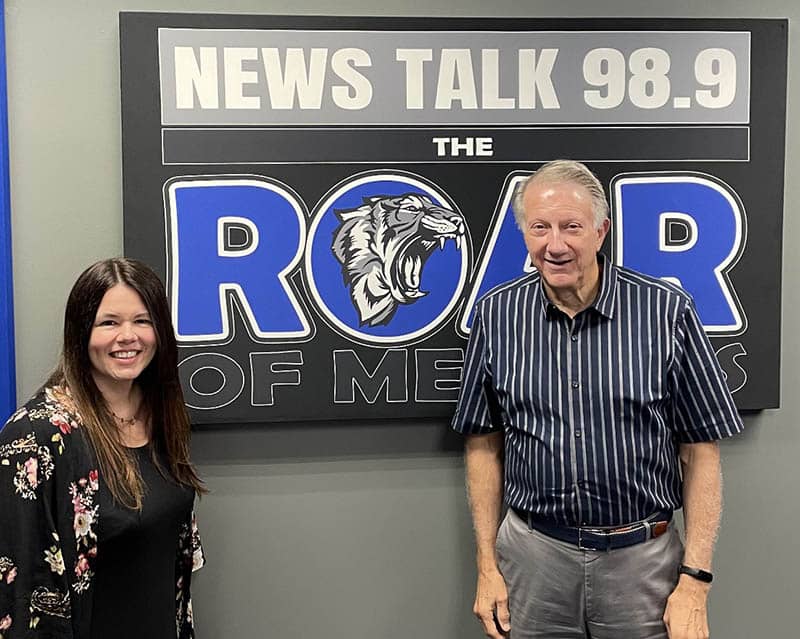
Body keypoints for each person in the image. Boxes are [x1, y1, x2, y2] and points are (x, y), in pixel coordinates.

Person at [452, 160, 743, 639]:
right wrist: (487, 565)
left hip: (642, 564)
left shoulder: (665, 312)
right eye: (540, 227)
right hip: (533, 560)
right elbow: (483, 446)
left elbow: (701, 453)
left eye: (572, 227)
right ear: (524, 233)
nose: (556, 245)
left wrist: (696, 582)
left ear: (601, 230)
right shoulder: (496, 316)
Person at [0, 258, 206, 639]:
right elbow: (23, 590)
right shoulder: (37, 435)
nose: (128, 336)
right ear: (81, 333)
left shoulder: (161, 414)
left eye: (142, 321)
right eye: (108, 322)